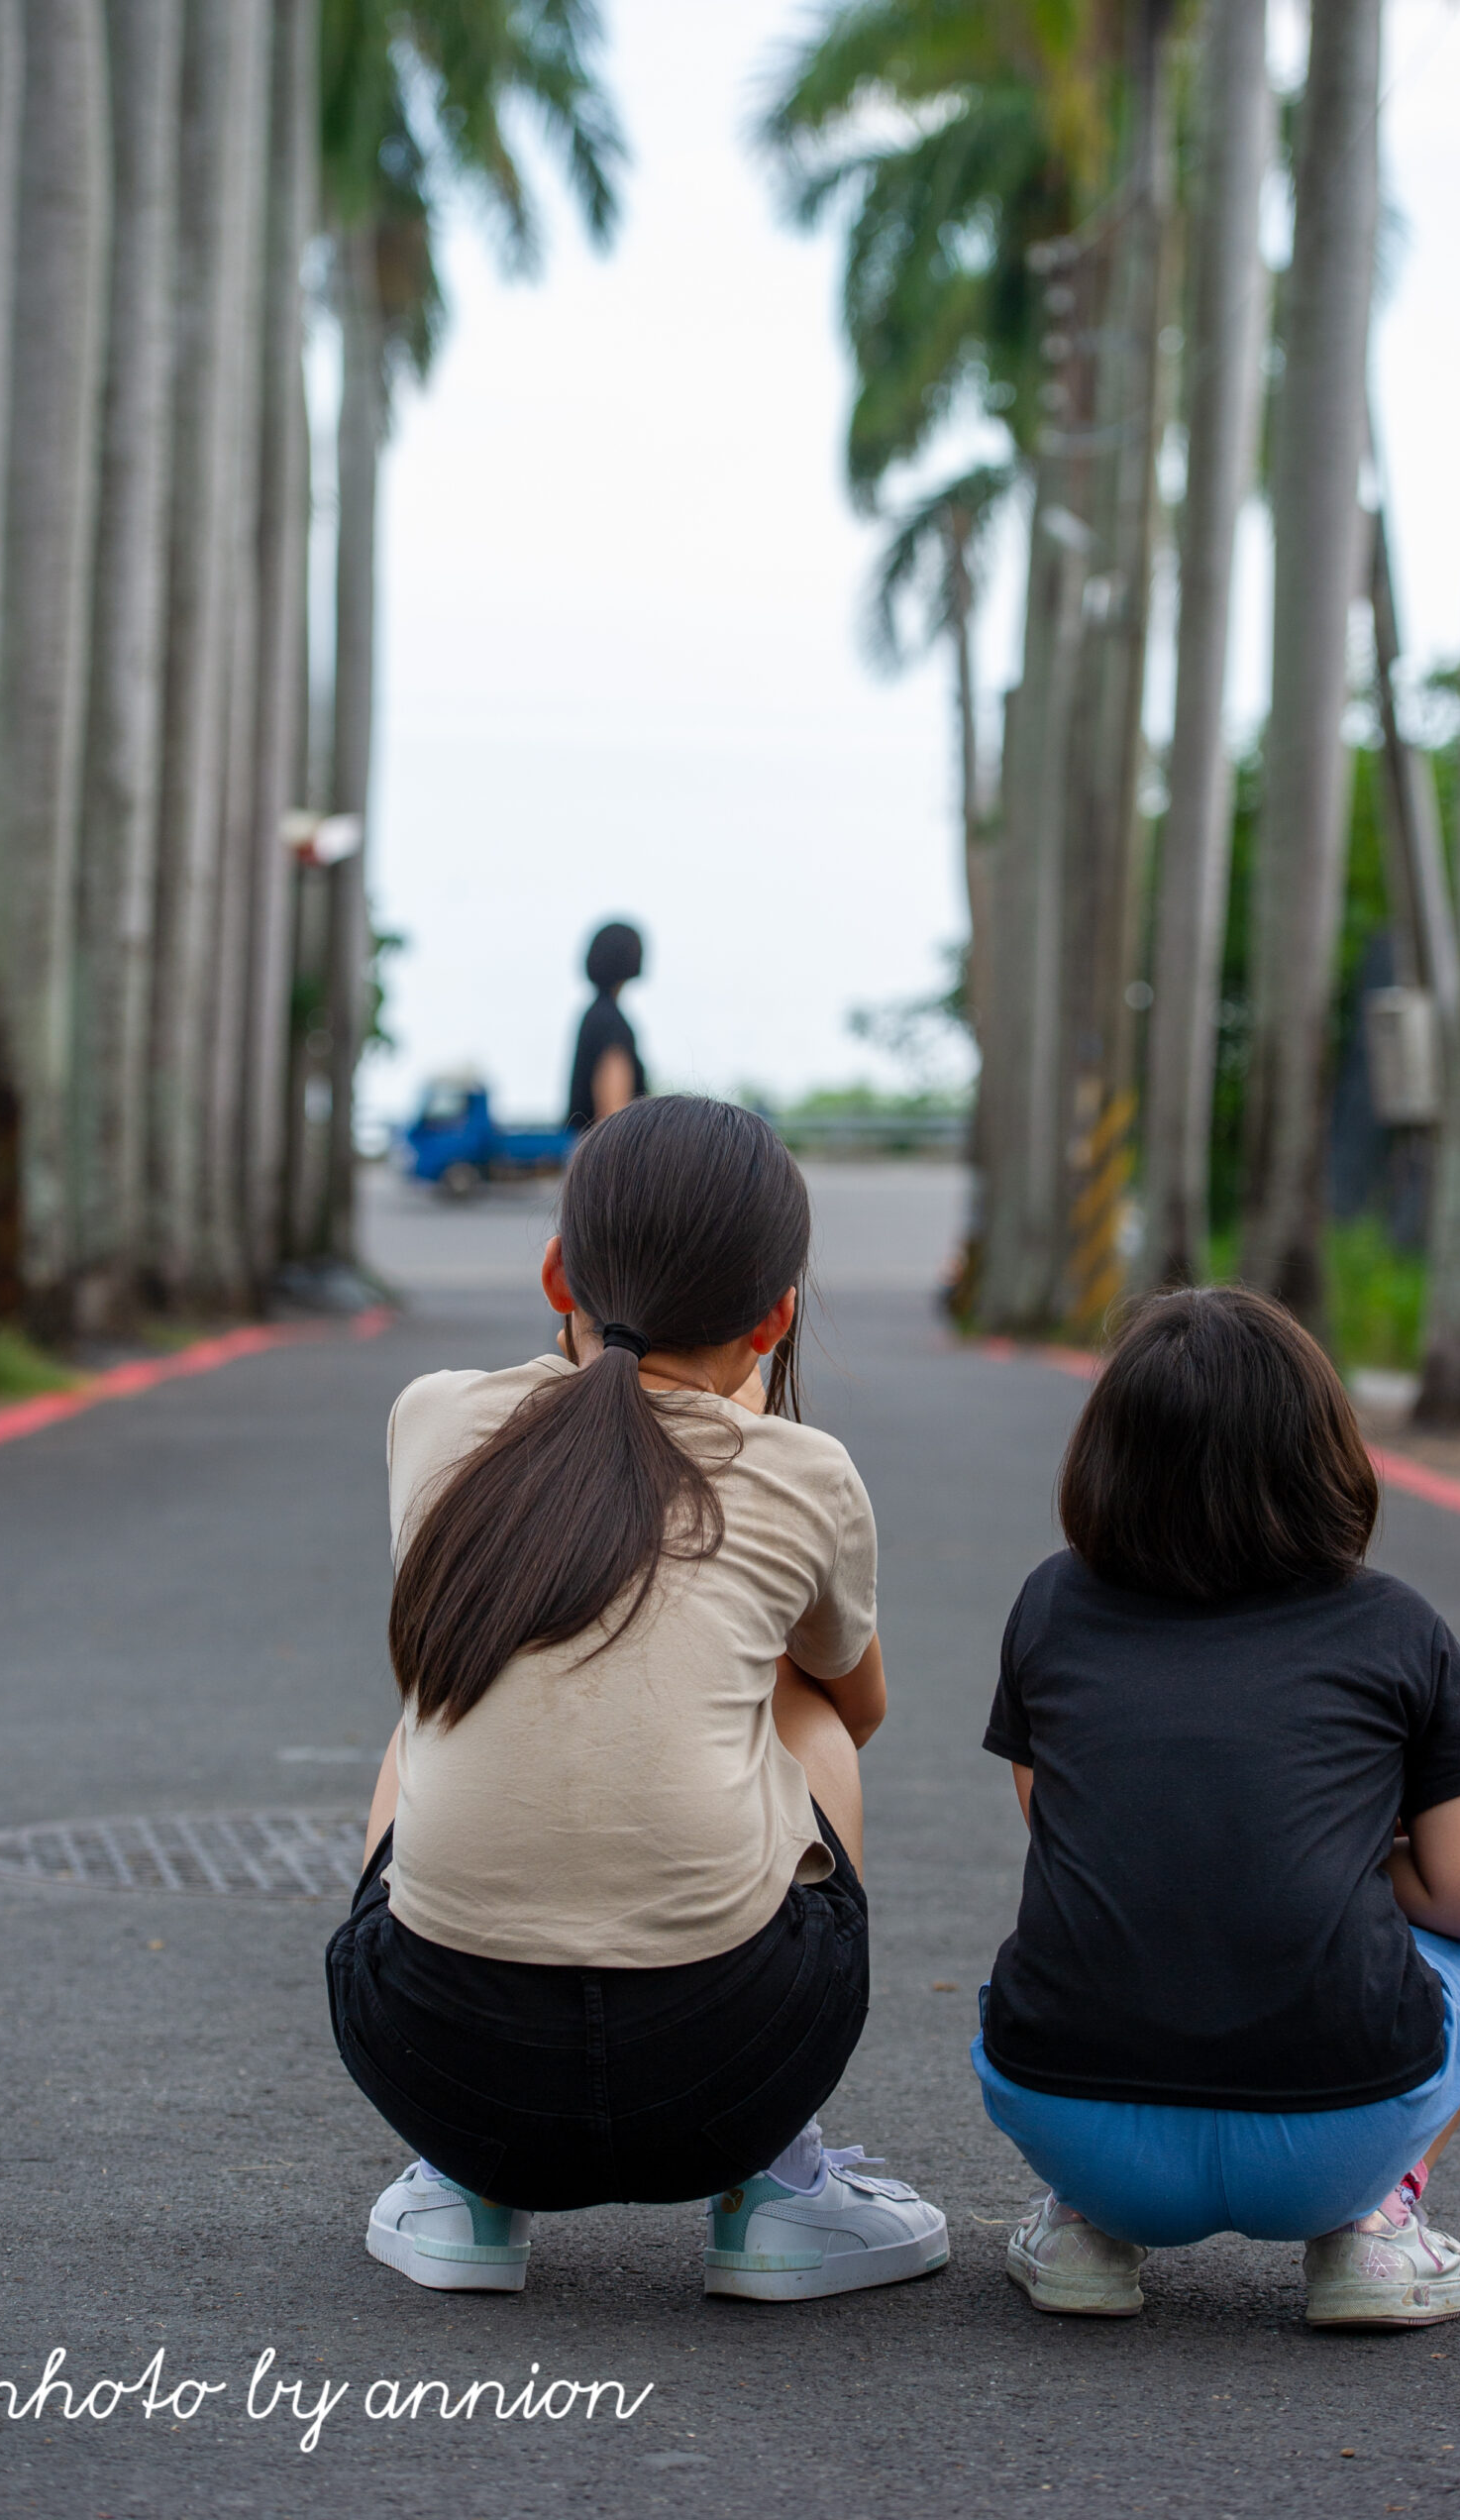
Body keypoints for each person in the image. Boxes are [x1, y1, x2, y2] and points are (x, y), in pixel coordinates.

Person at [328, 1094, 947, 2301]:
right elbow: (851, 1709)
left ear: (557, 1271)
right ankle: (774, 2190)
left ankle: (461, 2195)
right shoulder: (800, 1471)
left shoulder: (435, 1417)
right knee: (798, 1702)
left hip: (440, 2066)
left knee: (432, 1708)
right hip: (726, 2074)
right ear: (773, 1316)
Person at [974, 1286, 1460, 2329]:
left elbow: (1069, 1823)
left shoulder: (1053, 1604)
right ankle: (1375, 2227)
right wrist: (1366, 1857)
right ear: (1327, 1454)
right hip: (1333, 2139)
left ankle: (1084, 2225)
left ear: (1105, 1458)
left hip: (1081, 2116)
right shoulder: (1392, 1627)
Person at [567, 920, 647, 1129]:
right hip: (604, 1153)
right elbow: (613, 1114)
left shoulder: (594, 1015)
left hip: (583, 1147)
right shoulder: (610, 1022)